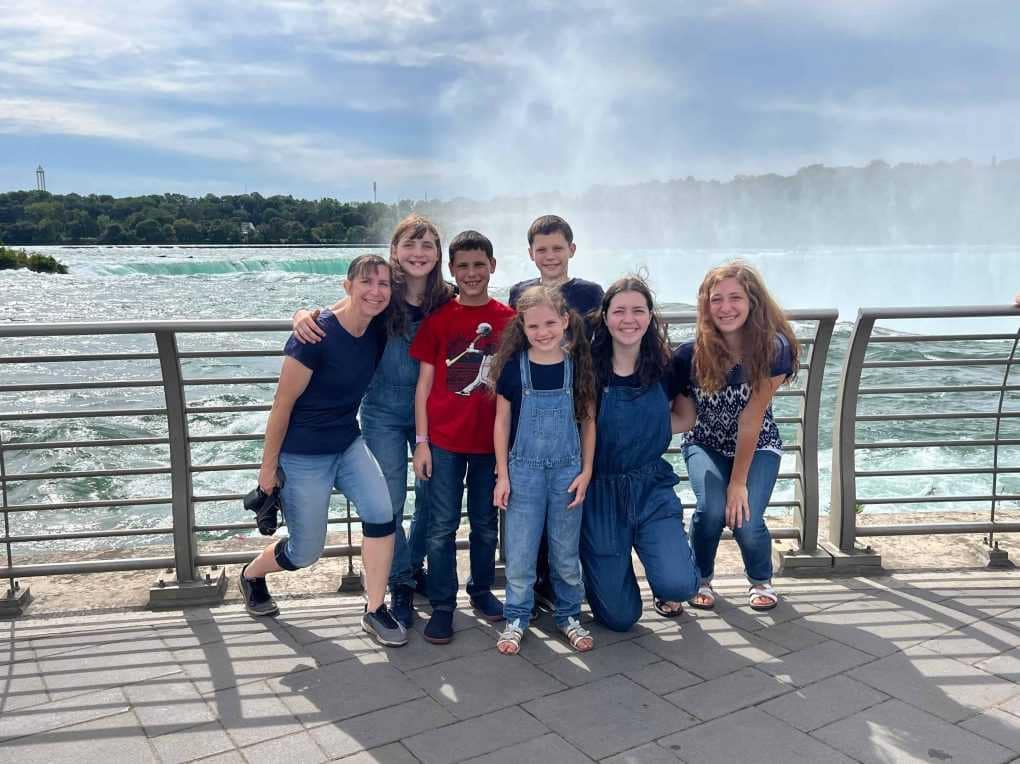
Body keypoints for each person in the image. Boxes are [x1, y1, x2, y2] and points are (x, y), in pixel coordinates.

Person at [290, 215, 452, 629]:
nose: (418, 254)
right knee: (390, 500)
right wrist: (303, 314)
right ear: (394, 251)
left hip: (431, 412)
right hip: (381, 410)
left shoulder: (446, 299)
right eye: (409, 245)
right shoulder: (382, 294)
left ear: (437, 254)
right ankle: (397, 581)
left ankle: (412, 567)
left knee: (434, 502)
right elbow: (340, 313)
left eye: (428, 246)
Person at [239, 254, 407, 647]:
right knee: (305, 552)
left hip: (348, 443)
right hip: (303, 456)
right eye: (367, 282)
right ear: (347, 286)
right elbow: (282, 403)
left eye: (384, 284)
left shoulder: (379, 326)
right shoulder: (313, 337)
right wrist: (268, 471)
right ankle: (251, 574)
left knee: (383, 515)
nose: (376, 291)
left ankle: (374, 609)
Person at [672, 261, 799, 611]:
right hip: (705, 442)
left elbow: (751, 417)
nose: (725, 308)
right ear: (705, 305)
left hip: (759, 443)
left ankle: (760, 579)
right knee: (711, 510)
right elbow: (684, 417)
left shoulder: (773, 348)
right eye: (716, 299)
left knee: (745, 517)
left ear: (752, 301)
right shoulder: (689, 355)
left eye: (735, 298)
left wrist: (738, 482)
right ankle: (700, 577)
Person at [410, 230, 516, 644]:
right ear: (451, 270)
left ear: (492, 266)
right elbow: (423, 386)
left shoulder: (510, 320)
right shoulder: (439, 321)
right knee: (441, 526)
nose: (471, 273)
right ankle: (441, 603)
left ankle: (481, 589)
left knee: (487, 524)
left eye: (479, 264)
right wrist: (421, 441)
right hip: (444, 442)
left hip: (491, 444)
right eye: (463, 266)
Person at [581, 276, 699, 632]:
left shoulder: (668, 366)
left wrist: (649, 431)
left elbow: (686, 416)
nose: (628, 319)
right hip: (599, 492)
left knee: (680, 585)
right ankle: (608, 575)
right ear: (605, 317)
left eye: (638, 310)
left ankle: (667, 566)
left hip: (650, 486)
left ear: (650, 317)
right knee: (619, 618)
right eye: (619, 311)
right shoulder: (586, 367)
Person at [490, 285, 598, 655]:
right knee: (519, 552)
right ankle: (516, 616)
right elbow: (501, 424)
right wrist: (502, 475)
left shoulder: (578, 365)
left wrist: (586, 471)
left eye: (551, 322)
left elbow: (588, 422)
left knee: (565, 553)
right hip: (523, 473)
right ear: (521, 325)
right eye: (533, 325)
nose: (543, 332)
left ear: (566, 321)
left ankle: (570, 615)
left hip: (568, 472)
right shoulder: (511, 368)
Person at [507, 215, 604, 614]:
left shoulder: (590, 293)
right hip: (531, 408)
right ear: (531, 254)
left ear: (572, 250)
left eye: (557, 248)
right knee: (529, 510)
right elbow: (514, 349)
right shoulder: (520, 292)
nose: (550, 256)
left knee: (566, 504)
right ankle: (535, 590)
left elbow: (602, 343)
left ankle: (565, 591)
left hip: (576, 401)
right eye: (541, 249)